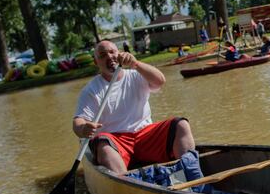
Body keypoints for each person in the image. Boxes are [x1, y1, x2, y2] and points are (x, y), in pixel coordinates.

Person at [73, 40, 198, 174]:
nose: (109, 57)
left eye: (112, 52)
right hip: (115, 142)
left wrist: (135, 64)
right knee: (103, 144)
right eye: (102, 55)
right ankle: (126, 184)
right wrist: (83, 128)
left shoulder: (136, 74)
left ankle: (192, 176)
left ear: (119, 54)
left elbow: (160, 81)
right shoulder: (91, 90)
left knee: (181, 124)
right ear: (96, 62)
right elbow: (78, 121)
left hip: (145, 136)